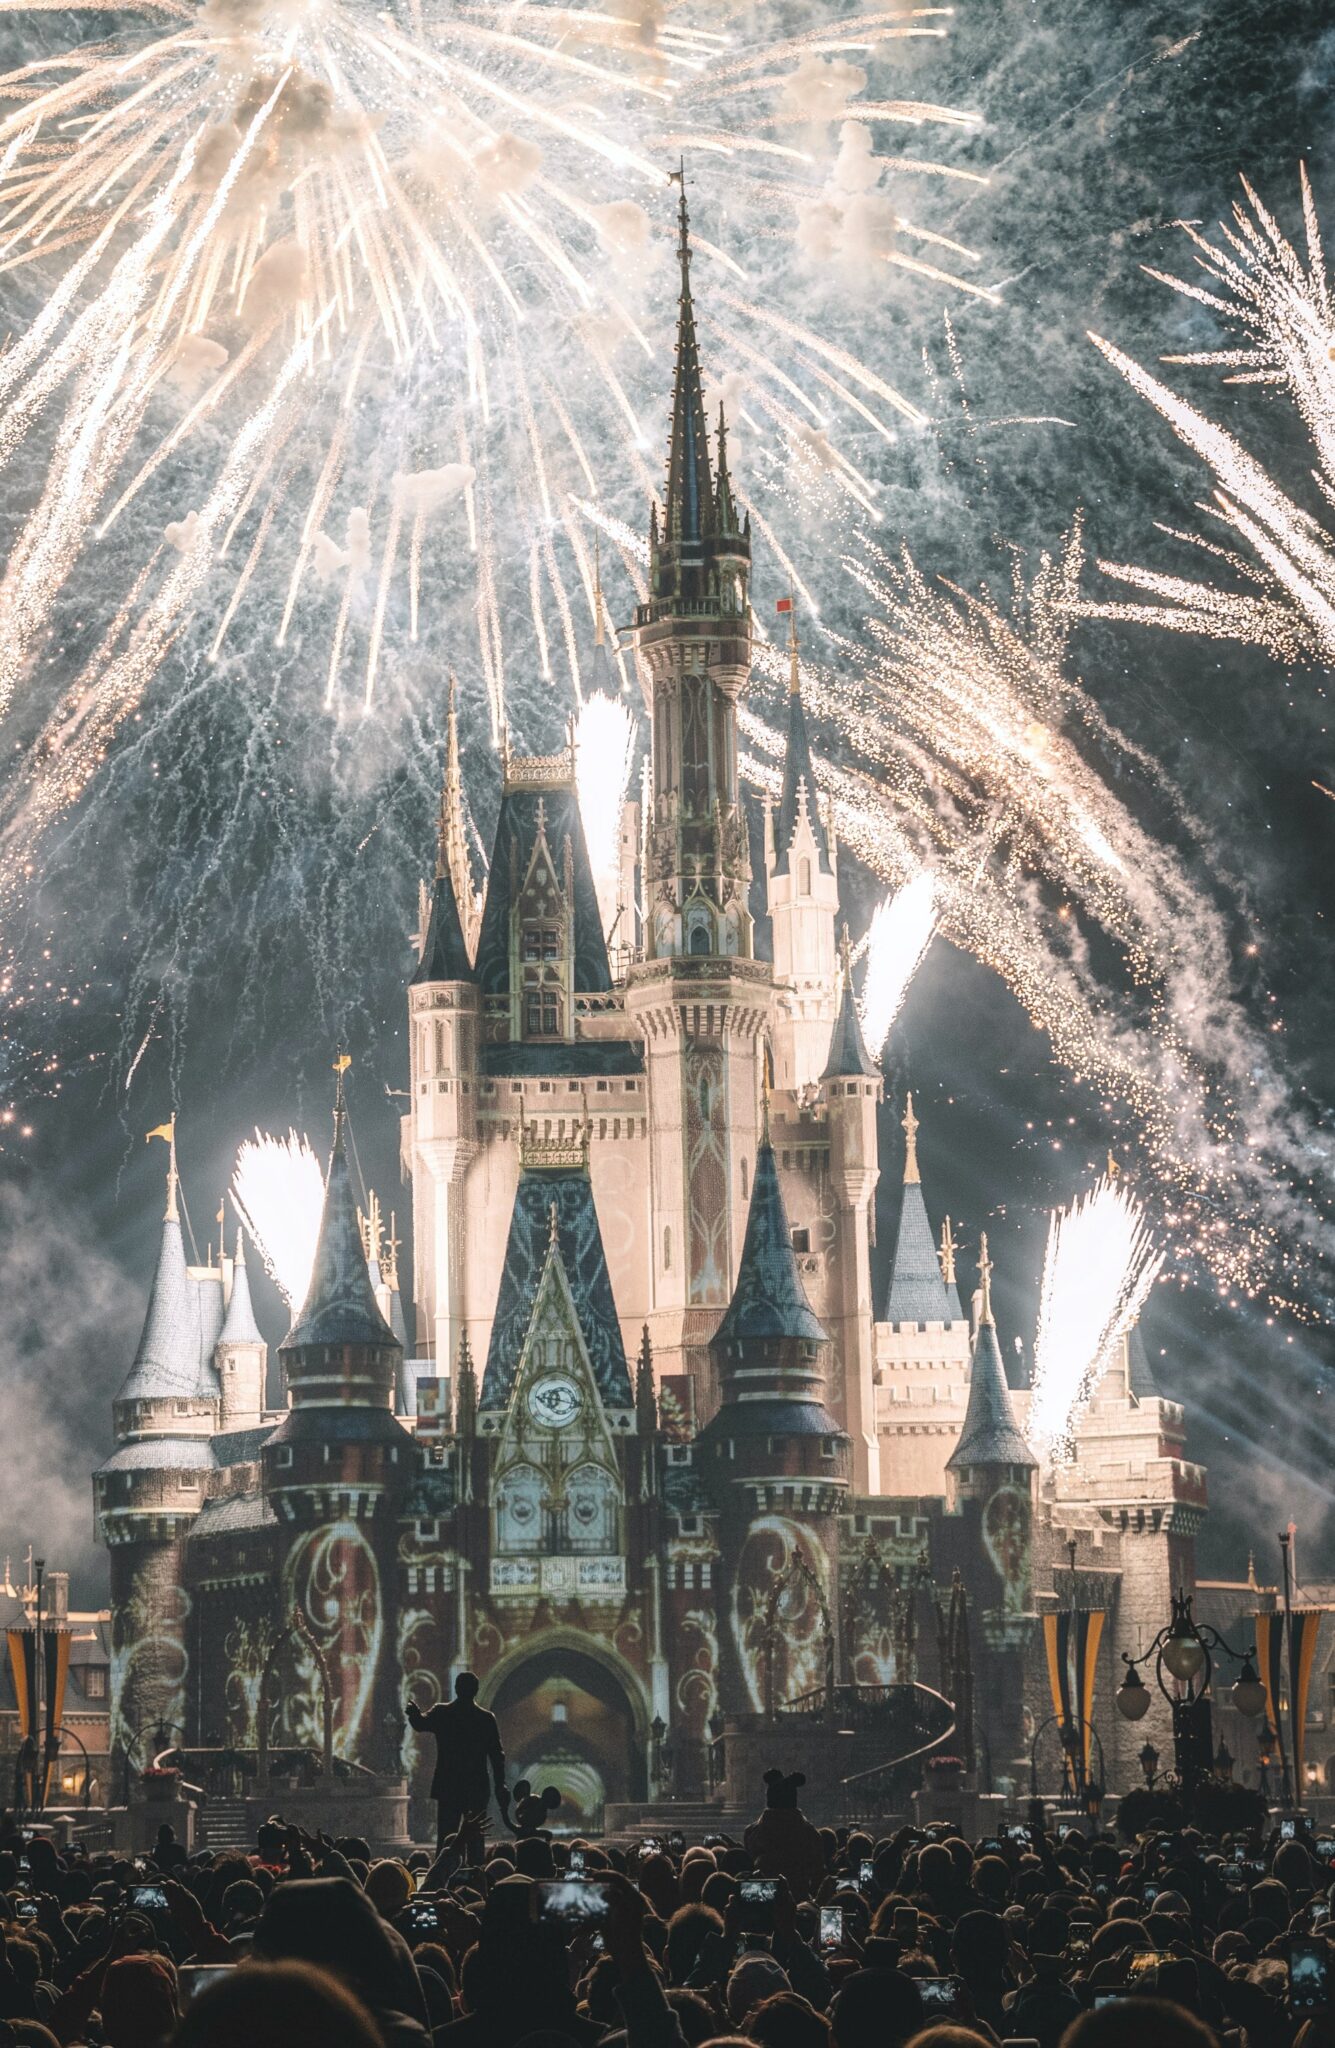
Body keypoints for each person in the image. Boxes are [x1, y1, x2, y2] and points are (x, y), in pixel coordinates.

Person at [405, 1671, 510, 1854]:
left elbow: (421, 1724)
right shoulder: (485, 1718)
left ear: (456, 1688)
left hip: (448, 1783)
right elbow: (496, 1755)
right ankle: (476, 1875)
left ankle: (444, 1874)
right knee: (476, 1838)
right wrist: (500, 1784)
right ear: (476, 1690)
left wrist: (414, 1714)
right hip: (476, 1785)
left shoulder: (442, 1712)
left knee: (446, 1835)